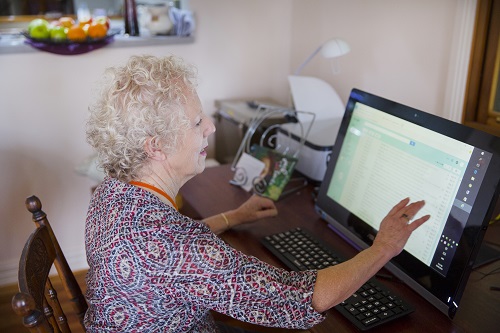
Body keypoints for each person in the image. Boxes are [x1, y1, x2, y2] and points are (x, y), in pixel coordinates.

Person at [84, 54, 430, 332]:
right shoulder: (180, 250)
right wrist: (384, 246)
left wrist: (233, 217)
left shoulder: (111, 191)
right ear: (155, 146)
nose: (211, 126)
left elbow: (168, 252)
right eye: (195, 122)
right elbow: (305, 298)